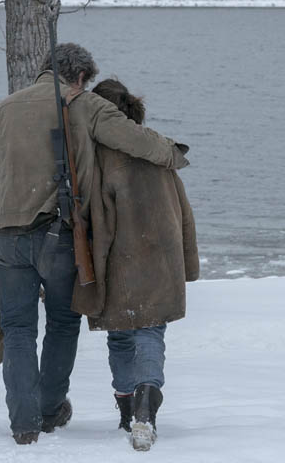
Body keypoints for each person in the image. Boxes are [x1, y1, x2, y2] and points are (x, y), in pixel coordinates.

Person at [0, 43, 189, 445]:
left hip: (7, 237)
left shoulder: (3, 109)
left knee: (18, 328)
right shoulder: (82, 105)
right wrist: (174, 154)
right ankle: (49, 408)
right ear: (80, 77)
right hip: (58, 236)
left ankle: (24, 424)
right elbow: (135, 140)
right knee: (62, 323)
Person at [86, 78, 199, 452]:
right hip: (162, 257)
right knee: (150, 332)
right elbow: (183, 210)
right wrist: (187, 263)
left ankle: (126, 408)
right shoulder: (159, 149)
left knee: (120, 335)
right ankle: (146, 407)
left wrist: (89, 274)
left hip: (121, 259)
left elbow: (99, 221)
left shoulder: (101, 157)